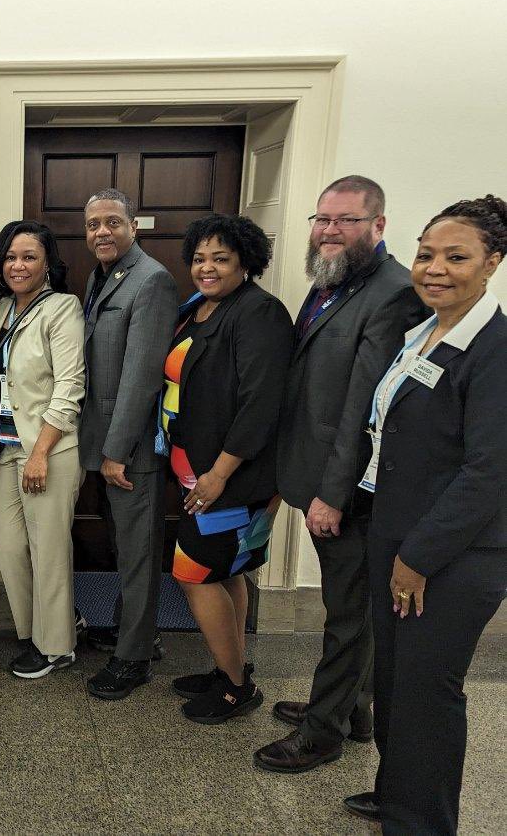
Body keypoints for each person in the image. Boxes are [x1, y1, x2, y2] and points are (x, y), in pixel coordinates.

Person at [341, 196, 507, 832]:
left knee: (428, 695)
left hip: (449, 557)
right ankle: (397, 792)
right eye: (426, 254)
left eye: (456, 257)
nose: (435, 268)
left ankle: (422, 822)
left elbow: (488, 474)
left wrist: (416, 558)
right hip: (398, 534)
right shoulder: (424, 331)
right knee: (394, 681)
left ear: (492, 263)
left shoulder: (493, 349)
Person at [255, 176, 427, 774]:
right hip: (316, 475)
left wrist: (332, 495)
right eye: (322, 218)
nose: (329, 230)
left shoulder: (394, 294)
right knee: (347, 607)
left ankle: (322, 733)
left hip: (349, 492)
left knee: (349, 616)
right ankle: (351, 707)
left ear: (378, 225)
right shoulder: (333, 282)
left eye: (345, 220)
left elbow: (364, 409)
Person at [160, 214, 293, 723]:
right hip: (198, 470)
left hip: (231, 477)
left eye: (220, 258)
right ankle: (229, 666)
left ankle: (237, 688)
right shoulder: (201, 307)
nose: (206, 268)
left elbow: (261, 404)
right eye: (199, 258)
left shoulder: (259, 313)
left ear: (246, 261)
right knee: (227, 569)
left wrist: (218, 474)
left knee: (193, 573)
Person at [77, 189, 178, 700]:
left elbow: (141, 377)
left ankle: (133, 658)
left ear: (134, 227)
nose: (102, 232)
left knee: (138, 554)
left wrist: (117, 451)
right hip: (104, 443)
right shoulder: (101, 276)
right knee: (124, 547)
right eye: (94, 224)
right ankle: (134, 631)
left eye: (113, 223)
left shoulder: (152, 280)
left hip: (131, 448)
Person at [0, 220, 85, 678]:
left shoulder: (62, 308)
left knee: (48, 550)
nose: (18, 265)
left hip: (50, 448)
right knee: (8, 547)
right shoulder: (1, 309)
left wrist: (42, 451)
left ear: (48, 264)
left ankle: (57, 645)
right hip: (7, 447)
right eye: (10, 256)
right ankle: (35, 631)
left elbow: (69, 384)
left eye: (29, 256)